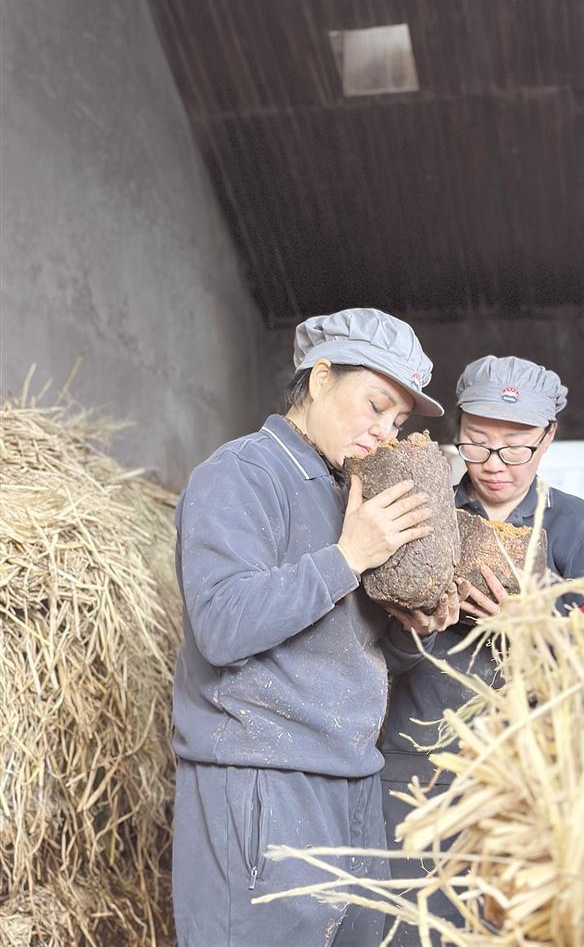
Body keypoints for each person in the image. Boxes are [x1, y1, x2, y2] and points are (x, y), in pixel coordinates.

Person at [171, 307, 462, 947]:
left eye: (398, 421)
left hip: (353, 774)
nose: (384, 432)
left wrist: (418, 626)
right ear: (321, 375)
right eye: (375, 405)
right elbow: (220, 625)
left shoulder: (348, 490)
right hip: (260, 780)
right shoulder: (243, 474)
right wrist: (348, 557)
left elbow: (362, 648)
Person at [380, 354, 584, 945]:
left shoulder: (578, 529)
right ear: (456, 431)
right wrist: (415, 620)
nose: (494, 466)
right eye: (476, 444)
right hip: (419, 766)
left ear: (548, 440)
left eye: (516, 448)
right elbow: (370, 648)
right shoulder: (419, 513)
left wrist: (539, 629)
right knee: (413, 926)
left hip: (532, 774)